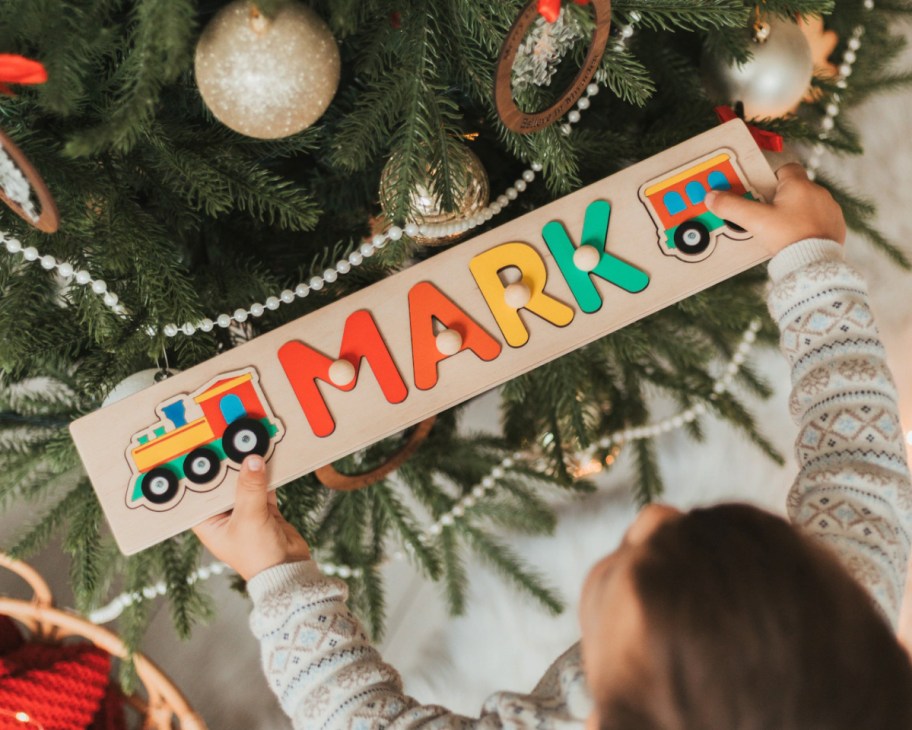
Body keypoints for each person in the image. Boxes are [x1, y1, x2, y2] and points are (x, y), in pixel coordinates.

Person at [194, 164, 912, 729]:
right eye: (699, 528)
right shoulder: (839, 620)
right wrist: (812, 262)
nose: (651, 517)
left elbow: (352, 716)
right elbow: (859, 461)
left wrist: (277, 573)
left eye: (626, 566)